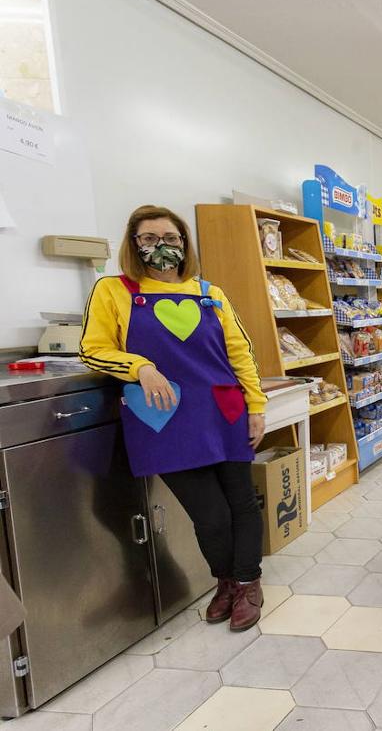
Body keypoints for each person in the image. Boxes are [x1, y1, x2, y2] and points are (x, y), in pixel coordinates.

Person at [80, 205, 268, 632]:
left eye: (170, 238)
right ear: (134, 245)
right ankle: (224, 580)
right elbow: (93, 349)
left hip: (224, 411)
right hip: (163, 419)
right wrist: (139, 368)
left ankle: (246, 583)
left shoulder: (210, 293)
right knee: (209, 515)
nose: (161, 247)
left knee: (241, 503)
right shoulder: (114, 291)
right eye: (149, 239)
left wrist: (256, 405)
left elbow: (241, 352)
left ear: (184, 243)